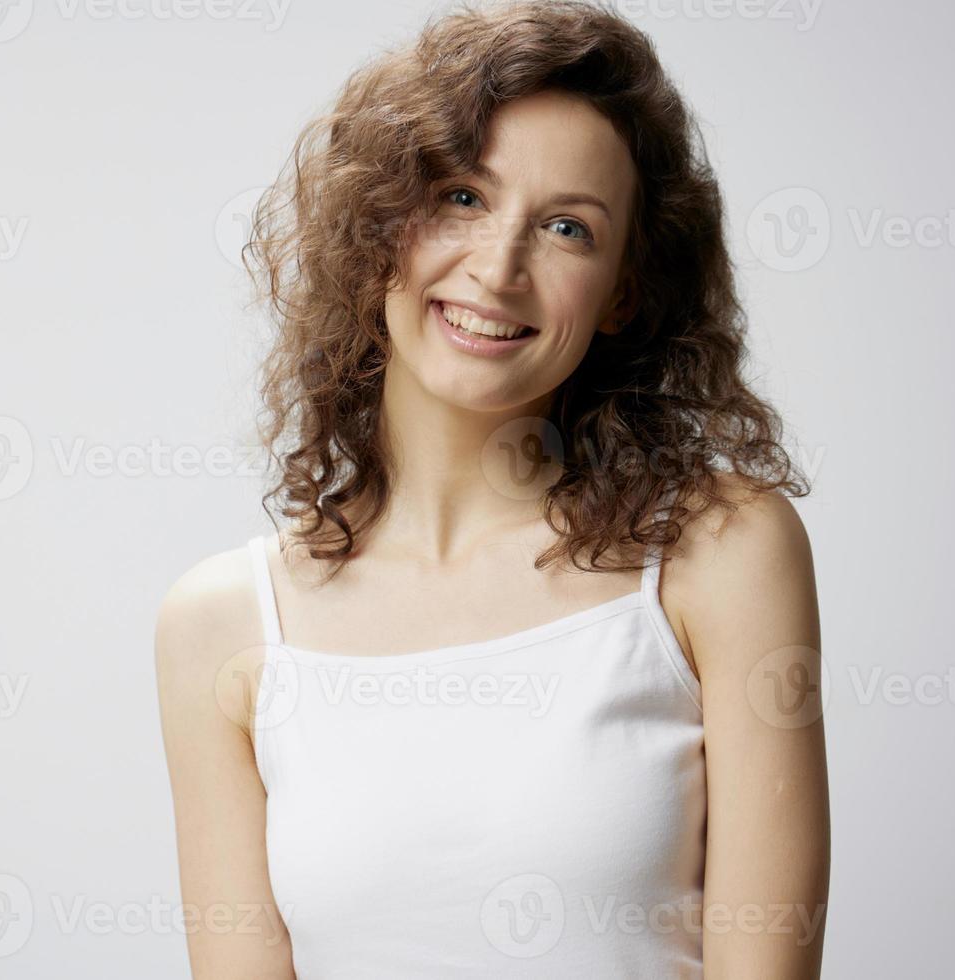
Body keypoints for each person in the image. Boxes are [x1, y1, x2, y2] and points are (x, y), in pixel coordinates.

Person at [156, 1, 830, 976]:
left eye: (567, 227)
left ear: (622, 294)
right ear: (382, 222)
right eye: (464, 197)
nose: (499, 265)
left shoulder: (716, 552)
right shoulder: (220, 625)